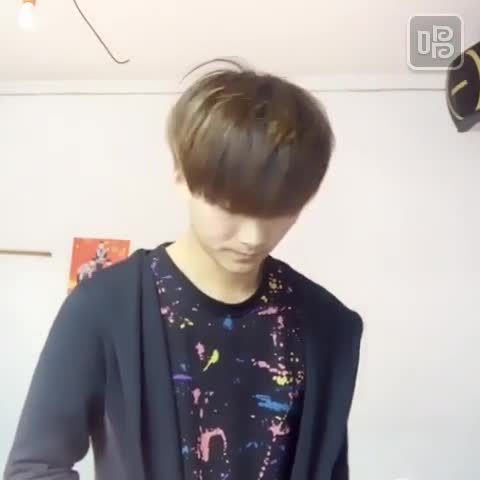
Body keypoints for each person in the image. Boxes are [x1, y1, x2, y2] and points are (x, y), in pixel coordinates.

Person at [4, 59, 363, 480]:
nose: (252, 236)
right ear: (181, 176)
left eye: (278, 212)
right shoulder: (103, 308)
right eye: (230, 208)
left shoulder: (326, 326)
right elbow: (35, 467)